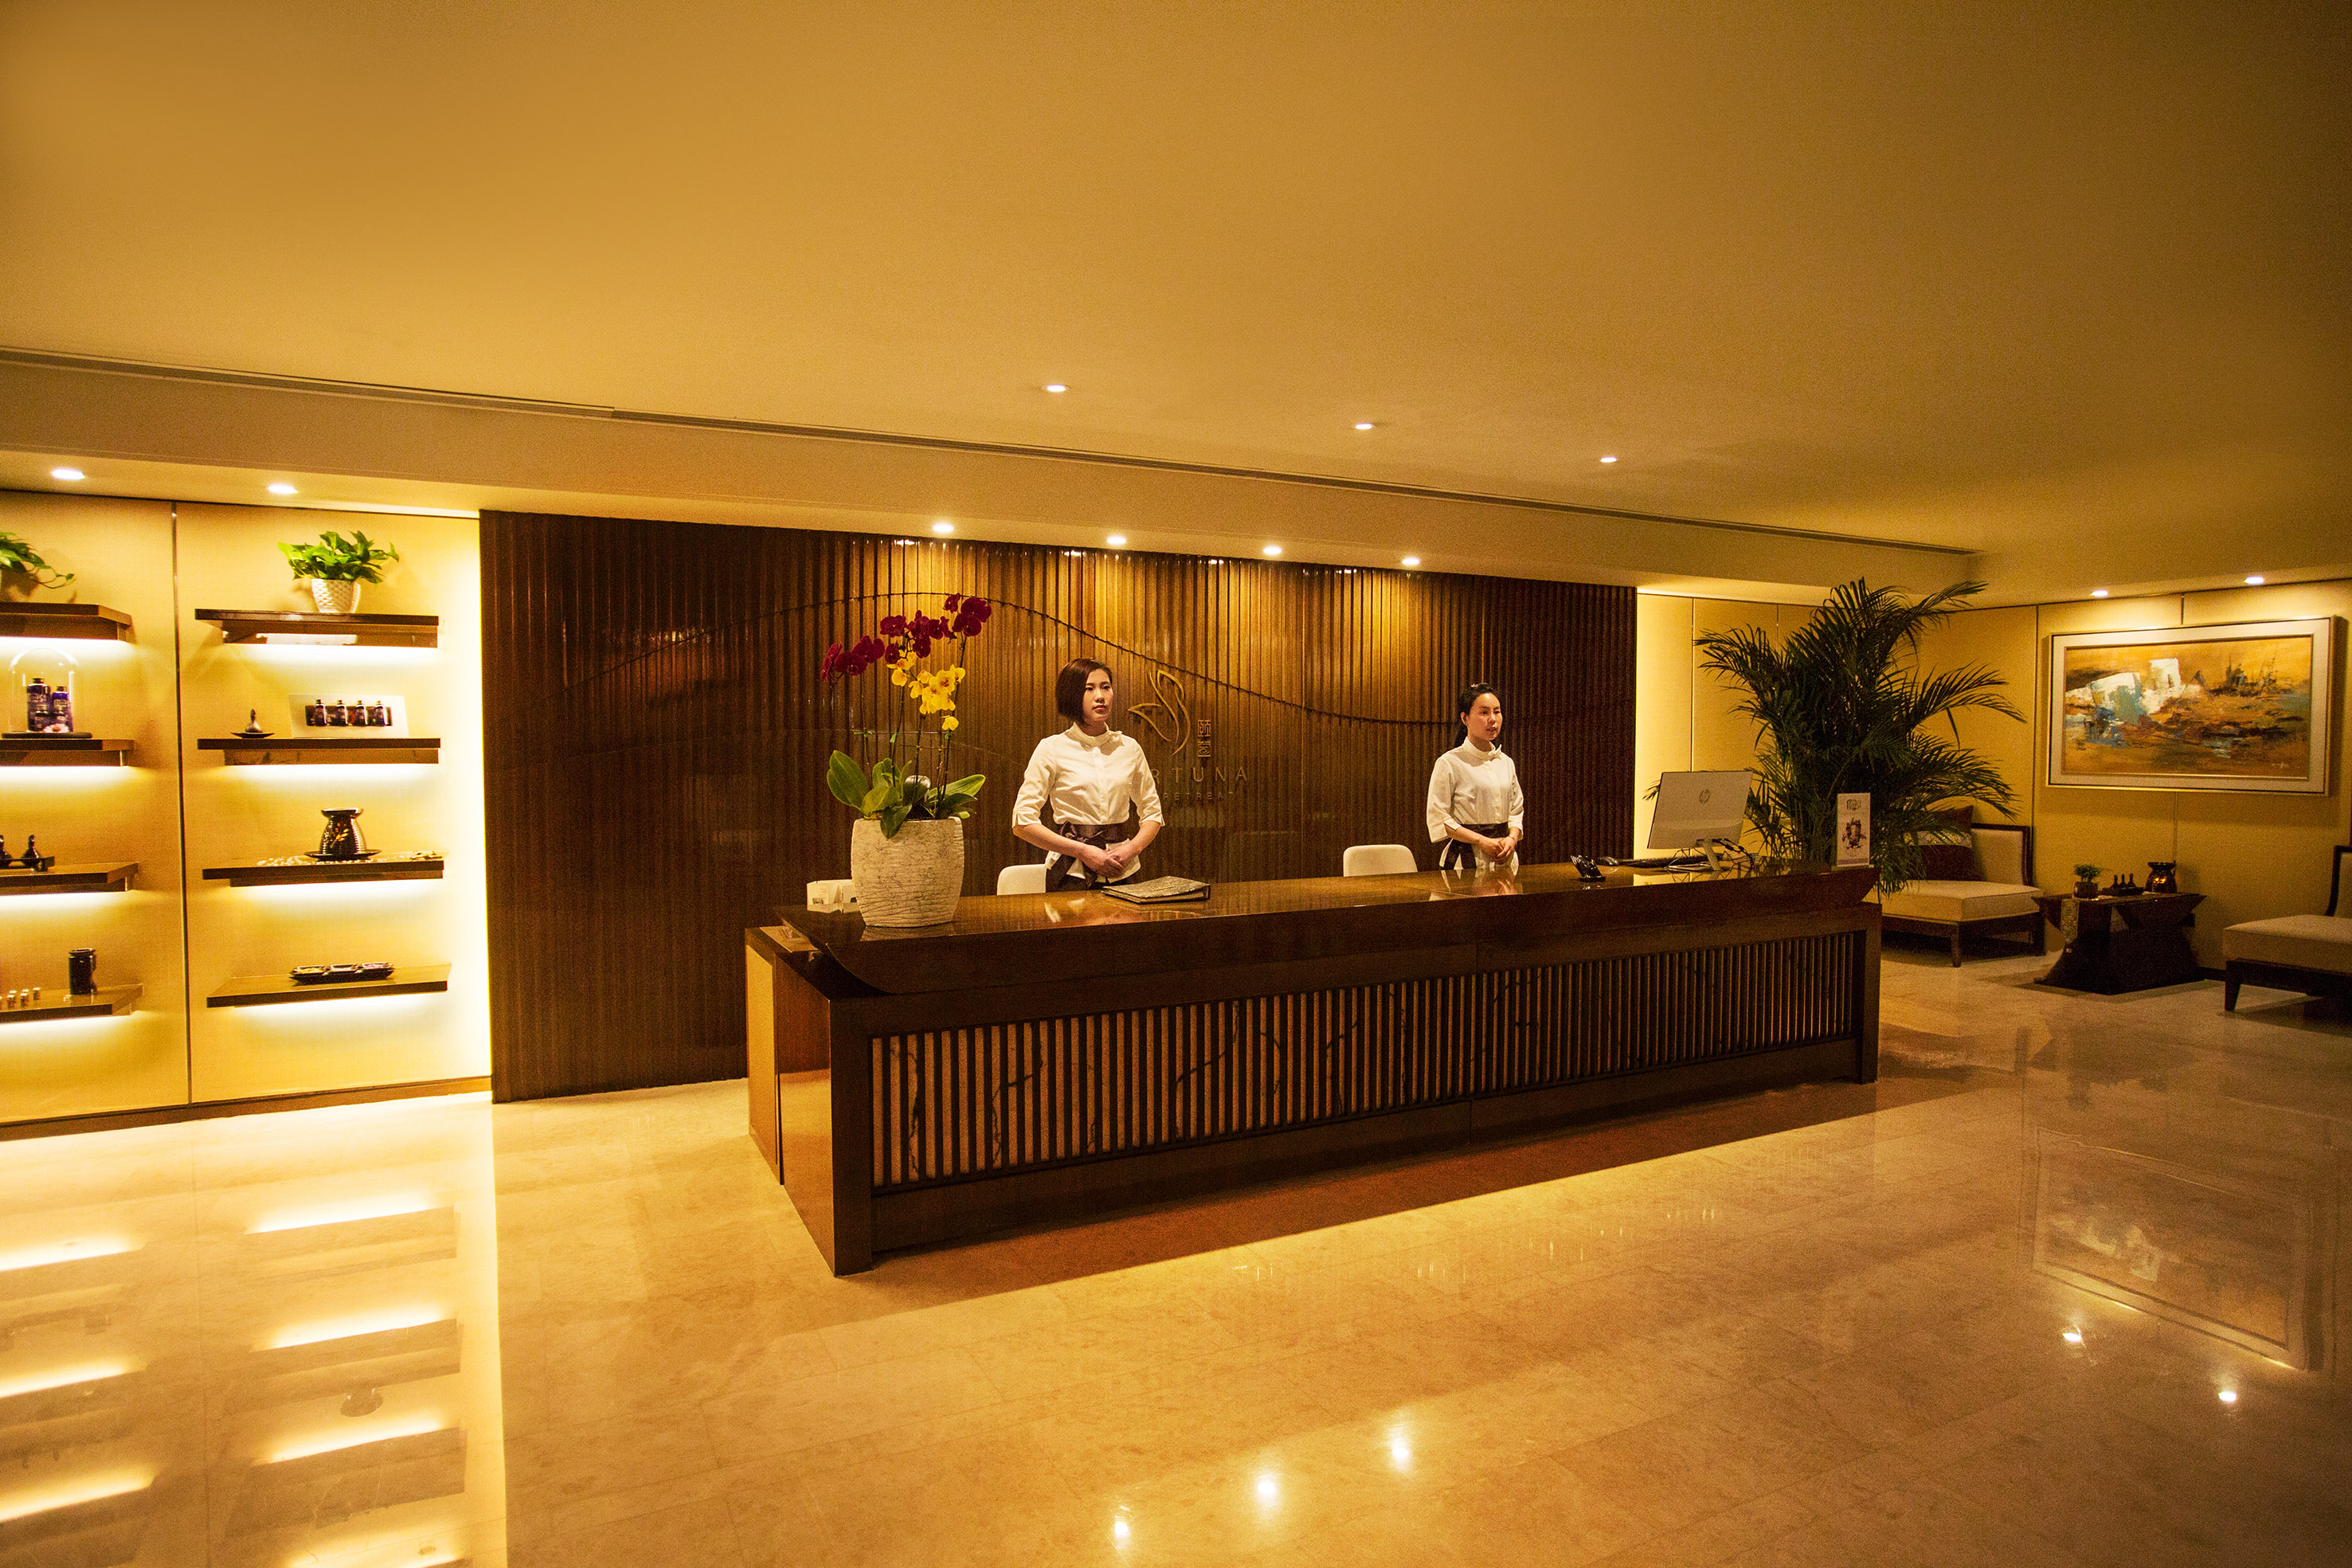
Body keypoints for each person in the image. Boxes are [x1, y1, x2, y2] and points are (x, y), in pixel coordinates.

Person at [1012, 658, 1166, 890]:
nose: (1100, 696)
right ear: (1072, 695)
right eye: (1089, 688)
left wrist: (1131, 849)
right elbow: (1022, 823)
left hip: (1123, 870)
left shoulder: (1129, 748)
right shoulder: (1052, 748)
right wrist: (1083, 851)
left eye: (1106, 687)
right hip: (1070, 874)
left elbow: (1153, 813)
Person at [1426, 682, 1524, 871]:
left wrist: (1512, 838)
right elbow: (1439, 817)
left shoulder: (1506, 762)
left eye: (1497, 711)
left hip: (1504, 857)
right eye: (1484, 712)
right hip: (1466, 861)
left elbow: (1516, 810)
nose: (1492, 719)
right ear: (1465, 718)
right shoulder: (1449, 763)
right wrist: (1481, 840)